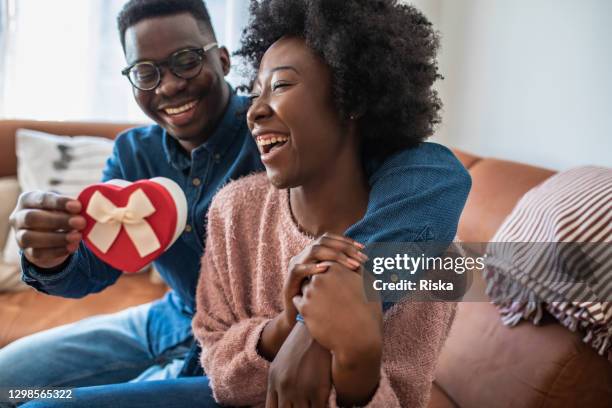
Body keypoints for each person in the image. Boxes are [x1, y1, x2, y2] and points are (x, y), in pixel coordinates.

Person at [3, 0, 469, 406]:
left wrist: (321, 314)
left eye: (185, 60)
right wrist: (47, 254)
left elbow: (435, 175)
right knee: (13, 385)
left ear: (222, 59)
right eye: (146, 72)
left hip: (233, 352)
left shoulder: (289, 138)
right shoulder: (134, 154)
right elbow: (95, 267)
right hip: (170, 320)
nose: (167, 86)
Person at [191, 0, 462, 407]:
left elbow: (405, 399)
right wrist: (284, 328)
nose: (255, 110)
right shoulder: (233, 210)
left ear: (351, 100)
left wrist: (357, 365)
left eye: (280, 85)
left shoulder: (433, 260)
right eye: (255, 91)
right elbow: (218, 369)